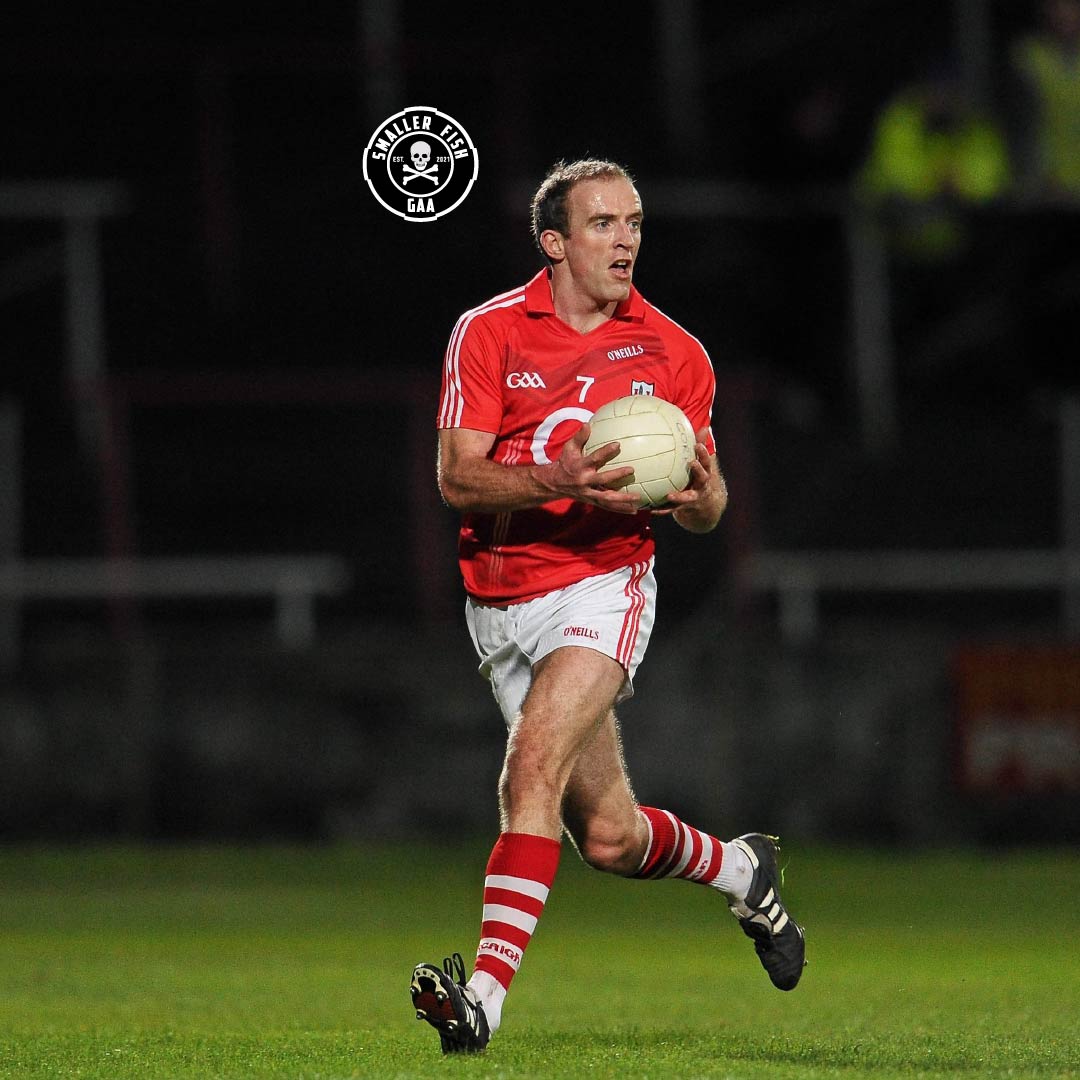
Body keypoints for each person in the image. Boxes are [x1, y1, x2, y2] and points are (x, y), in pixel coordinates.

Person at [410, 159, 806, 1055]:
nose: (626, 238)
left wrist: (702, 496)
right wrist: (554, 476)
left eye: (633, 222)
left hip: (601, 584)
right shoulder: (490, 333)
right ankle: (744, 871)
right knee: (610, 838)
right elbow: (456, 478)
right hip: (498, 602)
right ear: (553, 243)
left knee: (529, 770)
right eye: (602, 224)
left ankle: (481, 1002)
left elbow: (707, 508)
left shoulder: (674, 352)